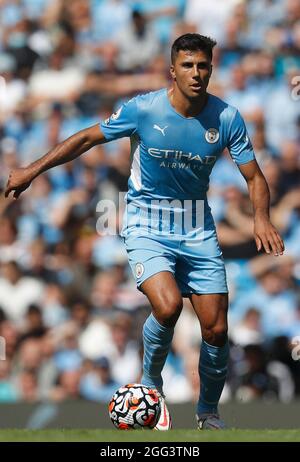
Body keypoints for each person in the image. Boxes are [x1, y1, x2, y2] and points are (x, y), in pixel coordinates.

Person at [5, 34, 285, 430]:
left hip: (196, 226)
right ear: (173, 71)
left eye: (203, 65)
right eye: (188, 65)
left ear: (211, 69)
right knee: (168, 305)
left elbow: (254, 177)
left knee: (217, 330)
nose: (196, 73)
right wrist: (31, 170)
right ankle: (151, 386)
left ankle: (207, 412)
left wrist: (262, 217)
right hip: (146, 224)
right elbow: (86, 137)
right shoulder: (143, 109)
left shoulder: (226, 118)